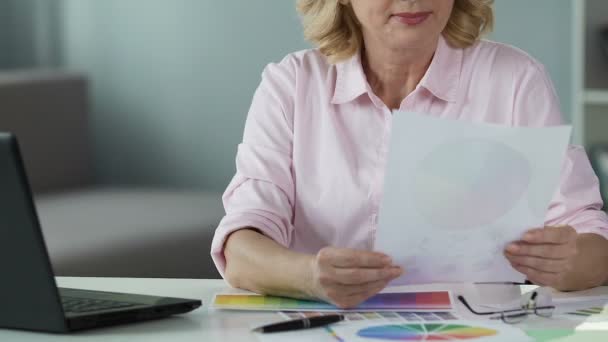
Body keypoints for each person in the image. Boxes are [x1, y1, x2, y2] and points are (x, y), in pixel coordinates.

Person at [210, 0, 608, 309]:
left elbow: (591, 234)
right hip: (324, 325)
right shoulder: (290, 86)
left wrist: (573, 260)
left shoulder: (515, 80)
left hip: (473, 328)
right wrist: (309, 276)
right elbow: (243, 246)